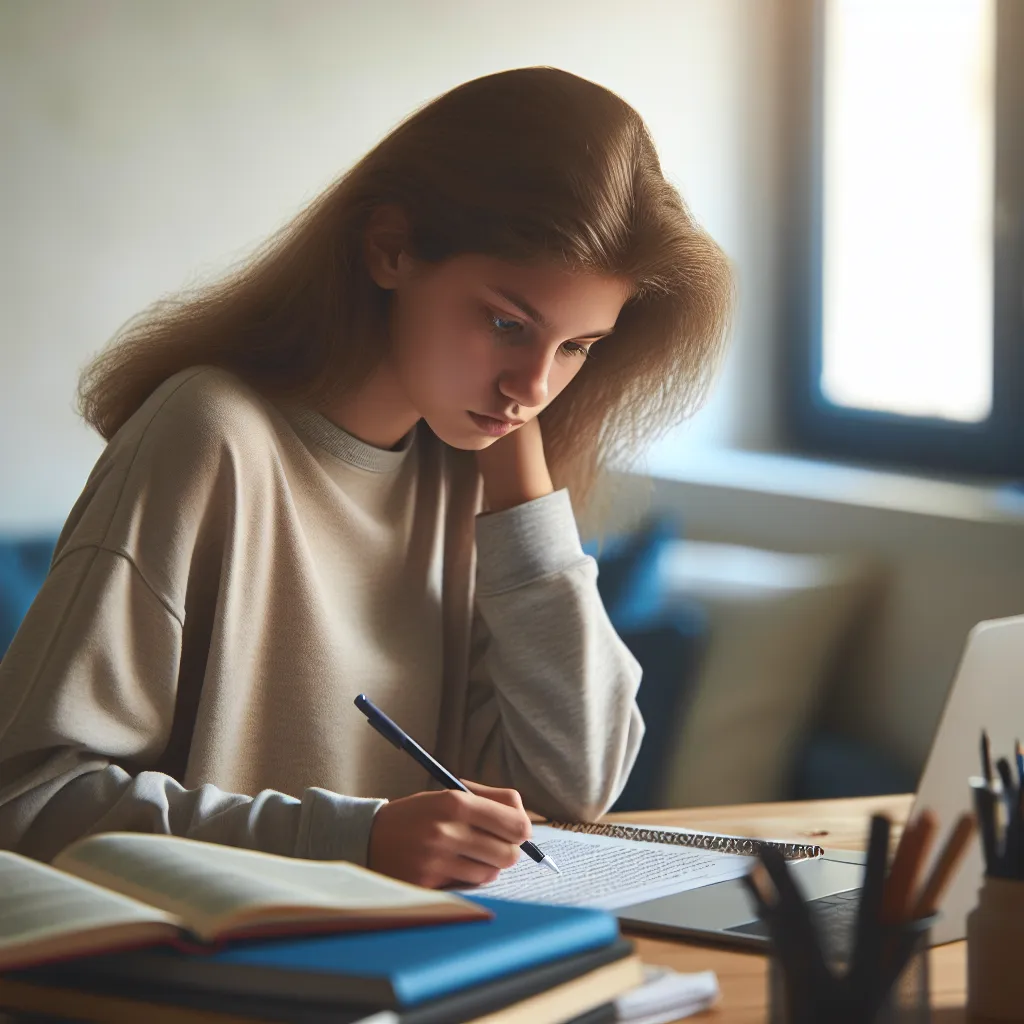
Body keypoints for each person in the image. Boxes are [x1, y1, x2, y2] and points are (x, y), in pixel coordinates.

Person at [0, 67, 733, 888]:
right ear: (390, 249)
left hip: (409, 955)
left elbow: (575, 783)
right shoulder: (210, 436)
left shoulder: (470, 476)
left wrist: (522, 480)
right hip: (213, 963)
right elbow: (27, 802)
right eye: (506, 322)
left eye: (575, 347)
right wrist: (352, 839)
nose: (532, 386)